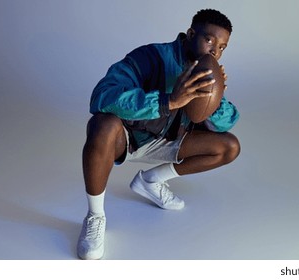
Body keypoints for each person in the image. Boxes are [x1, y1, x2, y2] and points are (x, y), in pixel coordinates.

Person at [78, 9, 240, 260]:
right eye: (210, 40)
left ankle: (151, 181)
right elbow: (102, 96)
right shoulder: (151, 56)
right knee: (102, 125)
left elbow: (227, 121)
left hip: (171, 140)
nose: (214, 51)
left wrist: (214, 99)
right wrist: (168, 101)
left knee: (229, 146)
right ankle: (95, 216)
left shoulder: (206, 70)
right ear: (191, 34)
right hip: (130, 139)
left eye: (222, 47)